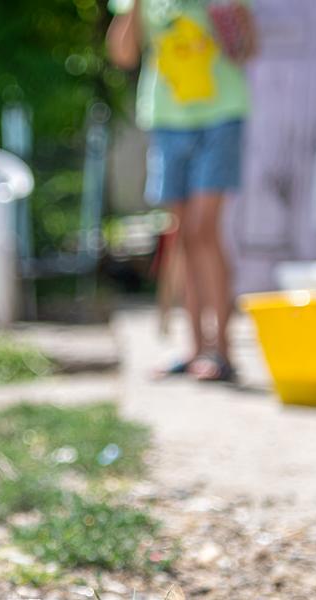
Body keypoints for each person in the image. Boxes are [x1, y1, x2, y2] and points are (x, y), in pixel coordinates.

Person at [107, 0, 256, 382]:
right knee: (184, 236)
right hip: (168, 120)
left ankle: (222, 350)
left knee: (205, 229)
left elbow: (247, 49)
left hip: (220, 116)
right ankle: (195, 350)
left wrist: (232, 14)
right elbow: (123, 55)